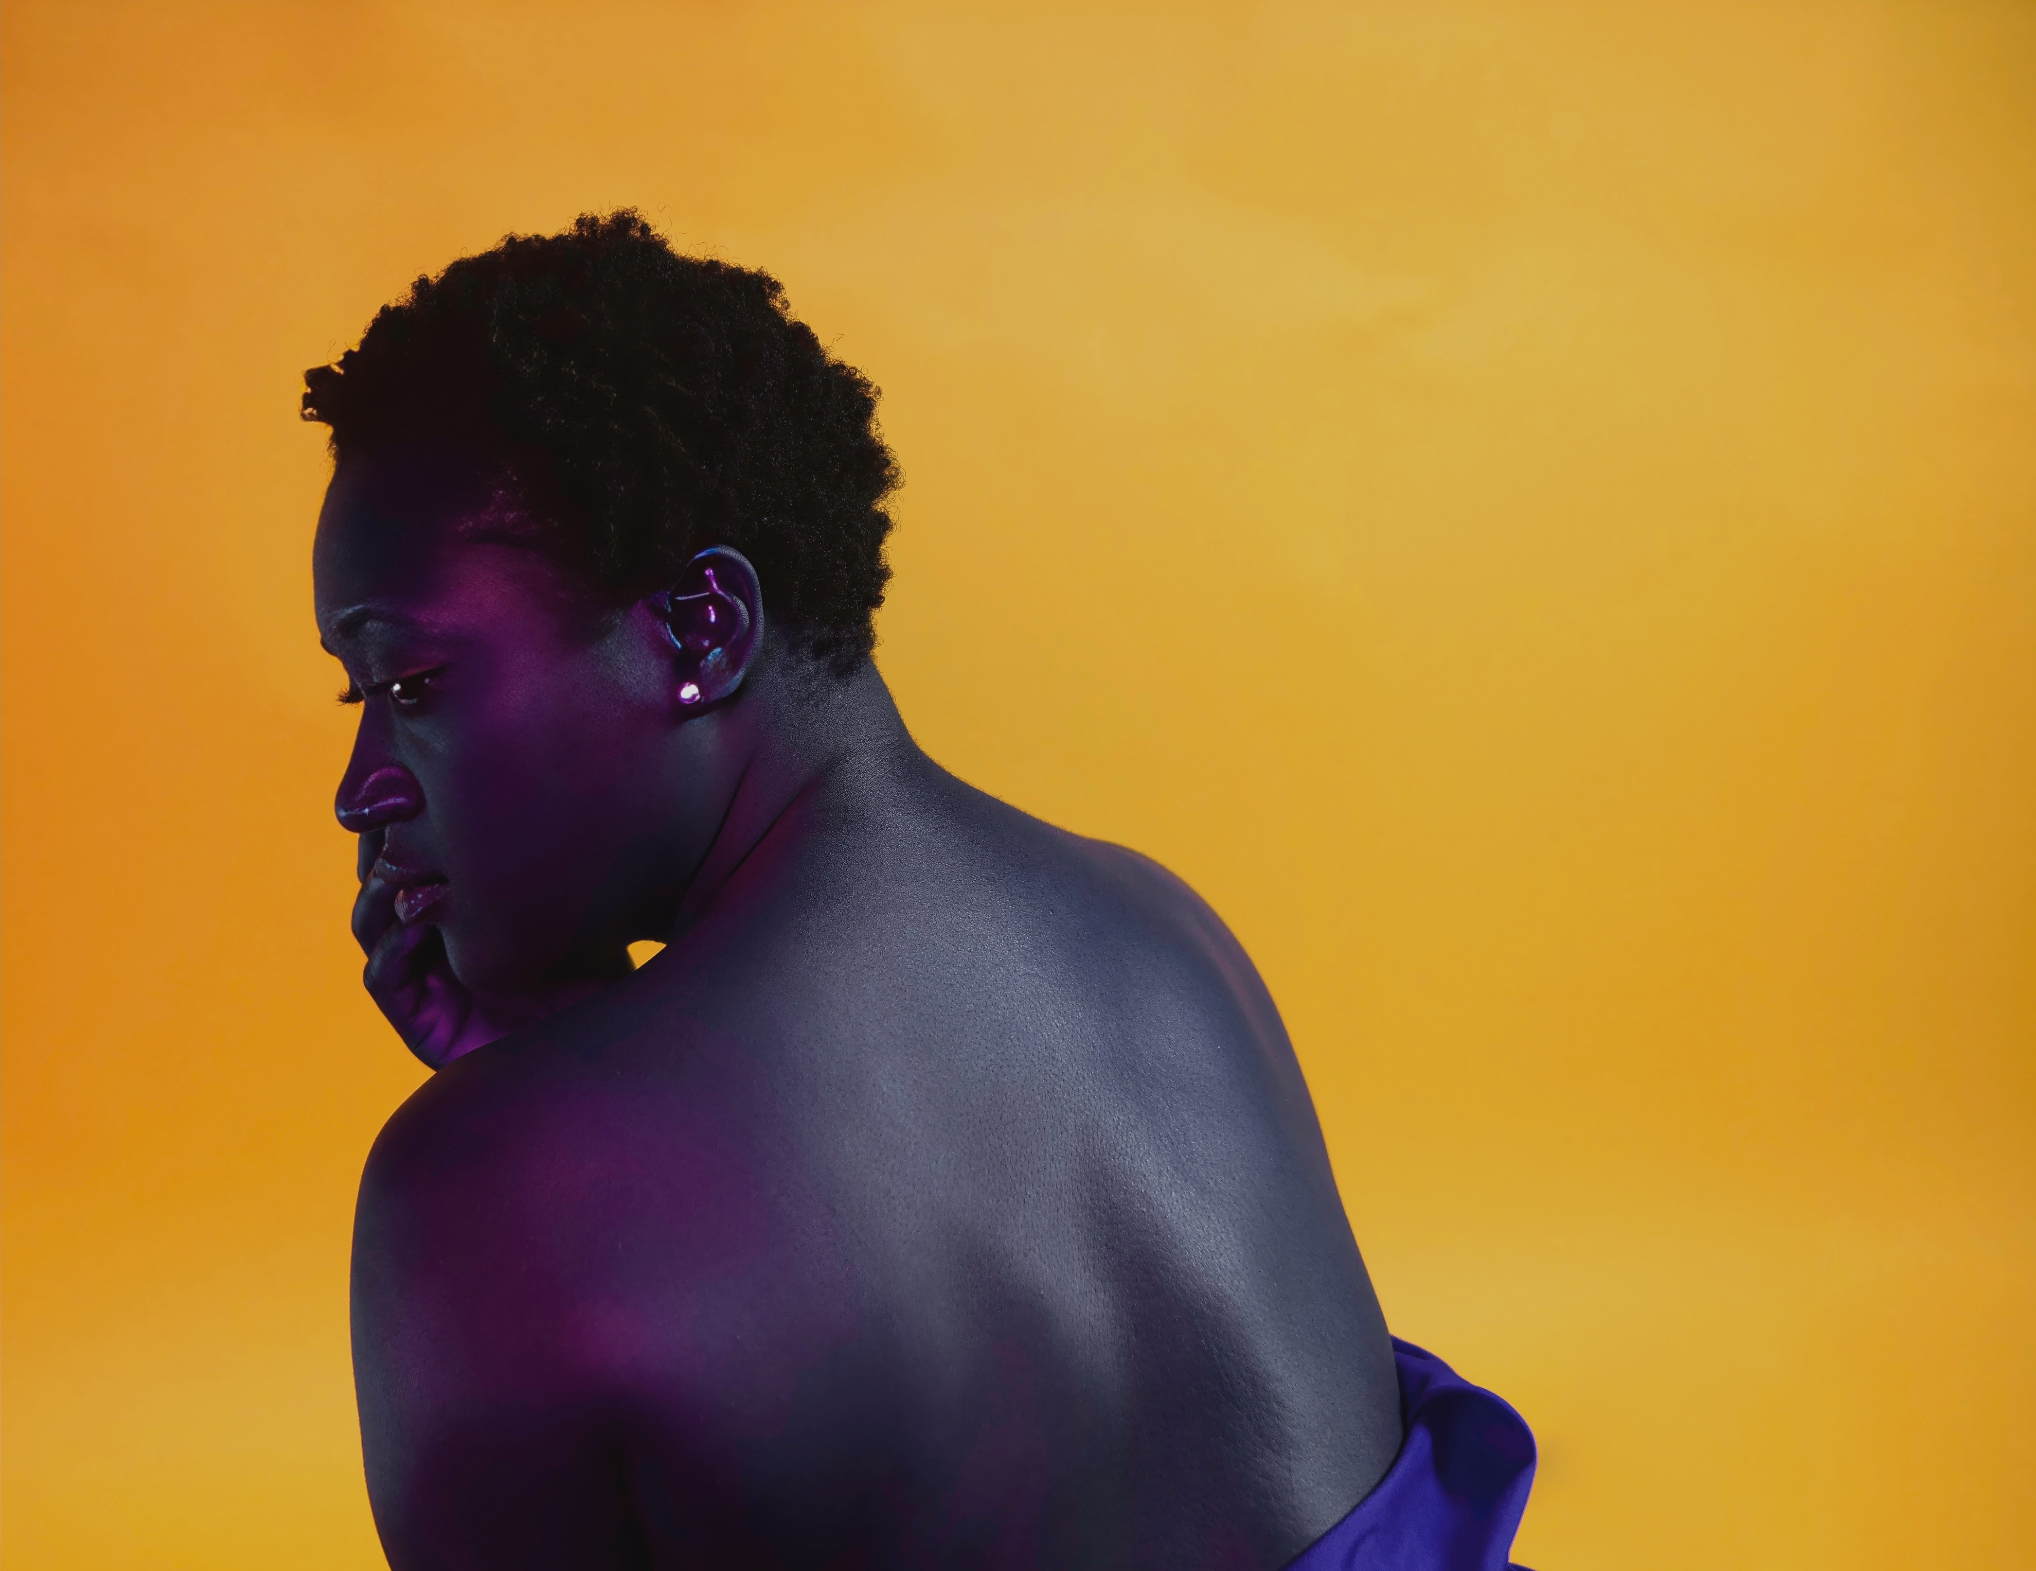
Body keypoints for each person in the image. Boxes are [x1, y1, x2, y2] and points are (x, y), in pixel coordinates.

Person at [308, 211, 1535, 1570]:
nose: (362, 785)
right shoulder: (1162, 933)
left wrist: (520, 1157)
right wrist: (562, 1092)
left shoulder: (485, 1195)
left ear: (698, 630)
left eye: (412, 685)